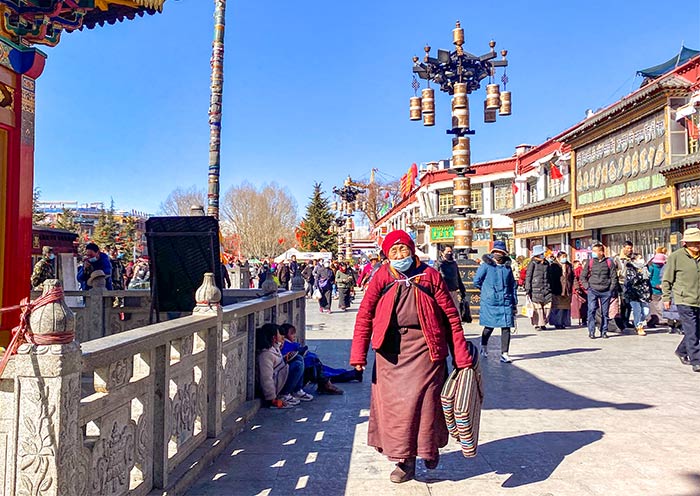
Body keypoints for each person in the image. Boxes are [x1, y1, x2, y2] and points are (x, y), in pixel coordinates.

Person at [350, 229, 473, 483]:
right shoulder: (381, 276)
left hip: (426, 351)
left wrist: (461, 358)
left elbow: (451, 318)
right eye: (393, 251)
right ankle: (404, 462)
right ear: (386, 255)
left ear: (412, 250)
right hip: (390, 355)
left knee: (426, 405)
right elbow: (365, 315)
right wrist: (358, 355)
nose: (399, 255)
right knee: (396, 411)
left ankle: (428, 449)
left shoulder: (430, 276)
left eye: (403, 249)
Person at [473, 240, 517, 363]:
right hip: (490, 302)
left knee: (506, 327)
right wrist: (487, 291)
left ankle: (504, 353)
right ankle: (484, 345)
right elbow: (476, 281)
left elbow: (512, 285)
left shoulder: (507, 268)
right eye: (496, 252)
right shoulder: (486, 266)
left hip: (506, 301)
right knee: (489, 327)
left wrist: (514, 303)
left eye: (500, 252)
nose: (498, 254)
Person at [662, 227, 700, 372]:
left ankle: (682, 351)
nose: (696, 245)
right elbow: (667, 279)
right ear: (686, 243)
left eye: (698, 242)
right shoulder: (676, 257)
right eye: (693, 243)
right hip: (683, 299)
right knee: (691, 331)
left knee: (697, 330)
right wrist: (666, 297)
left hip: (698, 298)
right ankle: (696, 360)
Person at [279, 323, 357, 394]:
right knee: (315, 365)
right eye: (292, 334)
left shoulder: (289, 345)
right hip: (289, 378)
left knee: (322, 368)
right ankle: (326, 384)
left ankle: (326, 383)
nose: (294, 336)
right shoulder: (285, 346)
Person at [256, 323, 313, 408]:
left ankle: (297, 390)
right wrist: (272, 398)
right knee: (297, 365)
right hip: (276, 385)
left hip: (280, 376)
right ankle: (283, 394)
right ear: (273, 337)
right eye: (280, 335)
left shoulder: (274, 348)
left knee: (299, 358)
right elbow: (266, 378)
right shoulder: (266, 355)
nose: (283, 337)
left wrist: (285, 358)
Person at [580, 243, 617, 339]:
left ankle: (604, 331)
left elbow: (614, 277)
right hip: (593, 290)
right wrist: (587, 286)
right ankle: (591, 331)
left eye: (595, 251)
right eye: (593, 251)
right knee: (591, 310)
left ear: (601, 252)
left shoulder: (609, 262)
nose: (593, 253)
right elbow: (583, 276)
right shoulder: (590, 262)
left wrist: (611, 288)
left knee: (605, 312)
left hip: (606, 291)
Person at [524, 245, 553, 331]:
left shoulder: (546, 263)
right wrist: (528, 288)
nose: (543, 255)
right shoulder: (532, 263)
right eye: (541, 254)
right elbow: (528, 276)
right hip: (535, 288)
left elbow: (550, 275)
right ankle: (538, 324)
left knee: (547, 307)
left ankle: (544, 321)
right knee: (537, 308)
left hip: (546, 288)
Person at [625, 253, 651, 336]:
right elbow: (631, 280)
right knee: (637, 310)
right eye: (639, 258)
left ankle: (638, 322)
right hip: (634, 293)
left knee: (646, 311)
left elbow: (648, 280)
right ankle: (639, 326)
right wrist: (639, 275)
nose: (642, 260)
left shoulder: (645, 268)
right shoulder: (630, 268)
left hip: (644, 293)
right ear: (634, 260)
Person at [549, 251, 575, 329]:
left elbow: (572, 277)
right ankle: (557, 322)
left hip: (567, 289)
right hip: (557, 289)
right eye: (562, 257)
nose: (564, 258)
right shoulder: (554, 266)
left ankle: (564, 322)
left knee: (565, 307)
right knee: (558, 307)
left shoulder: (569, 265)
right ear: (558, 257)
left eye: (565, 256)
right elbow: (552, 278)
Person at [613, 240, 635, 331]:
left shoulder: (633, 258)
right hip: (621, 283)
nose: (629, 250)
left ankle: (626, 320)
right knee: (623, 303)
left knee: (629, 304)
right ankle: (622, 321)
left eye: (631, 248)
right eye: (628, 248)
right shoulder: (617, 258)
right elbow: (613, 270)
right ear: (623, 248)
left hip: (632, 283)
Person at [647, 248, 667, 328]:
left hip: (662, 289)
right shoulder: (651, 267)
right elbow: (648, 279)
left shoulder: (664, 267)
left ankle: (661, 319)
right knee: (653, 307)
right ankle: (652, 321)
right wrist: (655, 285)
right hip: (654, 290)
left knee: (661, 306)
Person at [571, 260, 588, 327]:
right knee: (582, 306)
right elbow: (575, 279)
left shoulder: (590, 270)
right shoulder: (578, 270)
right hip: (580, 290)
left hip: (588, 289)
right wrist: (577, 288)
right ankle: (582, 319)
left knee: (588, 305)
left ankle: (586, 318)